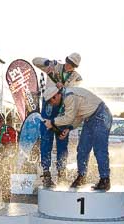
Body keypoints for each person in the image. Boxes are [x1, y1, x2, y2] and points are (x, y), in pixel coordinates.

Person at [43, 86, 113, 191]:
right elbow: (77, 116)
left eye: (51, 102)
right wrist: (69, 128)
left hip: (101, 116)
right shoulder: (67, 97)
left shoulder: (68, 97)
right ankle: (82, 176)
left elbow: (69, 118)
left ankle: (105, 179)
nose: (51, 104)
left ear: (55, 96)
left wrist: (52, 122)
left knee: (99, 149)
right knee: (82, 149)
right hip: (90, 118)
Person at [33, 53, 82, 187]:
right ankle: (46, 173)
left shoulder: (76, 78)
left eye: (71, 65)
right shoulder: (55, 66)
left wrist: (64, 88)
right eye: (67, 62)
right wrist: (47, 62)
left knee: (62, 143)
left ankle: (61, 172)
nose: (68, 65)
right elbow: (34, 61)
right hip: (49, 107)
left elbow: (74, 93)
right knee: (46, 141)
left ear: (75, 67)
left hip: (63, 110)